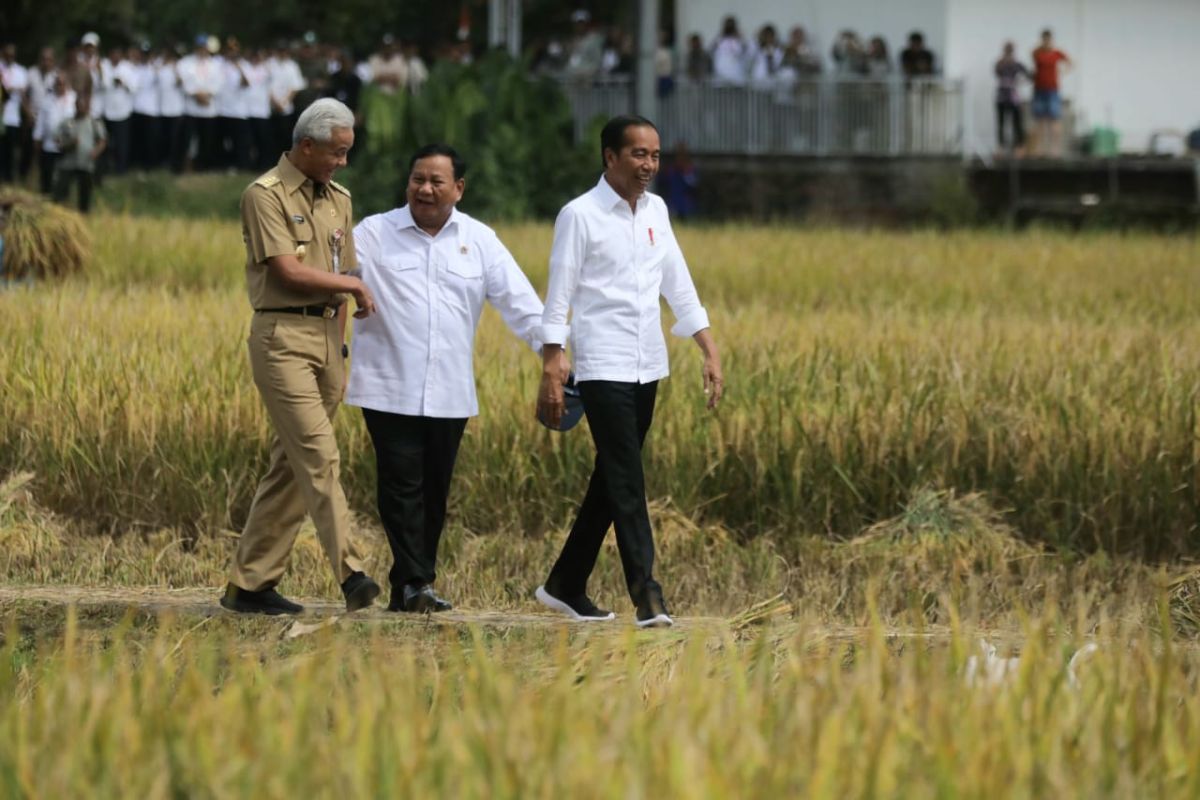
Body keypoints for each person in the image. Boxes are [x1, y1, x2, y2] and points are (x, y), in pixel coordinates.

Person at [536, 115, 724, 628]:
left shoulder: (657, 210)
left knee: (612, 477)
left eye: (655, 155)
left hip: (647, 362)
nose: (649, 165)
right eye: (639, 154)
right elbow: (559, 294)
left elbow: (677, 280)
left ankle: (565, 584)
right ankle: (648, 594)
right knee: (627, 477)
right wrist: (553, 362)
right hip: (601, 363)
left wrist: (706, 345)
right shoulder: (579, 215)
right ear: (610, 157)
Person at [346, 144, 544, 613]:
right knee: (400, 485)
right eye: (418, 179)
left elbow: (520, 303)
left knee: (434, 489)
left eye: (437, 181)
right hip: (387, 384)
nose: (425, 189)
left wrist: (553, 354)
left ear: (458, 188)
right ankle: (415, 582)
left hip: (450, 391)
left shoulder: (480, 240)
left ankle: (411, 586)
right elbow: (332, 275)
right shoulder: (374, 233)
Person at [220, 98, 382, 616]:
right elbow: (287, 272)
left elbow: (341, 268)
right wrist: (353, 286)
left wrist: (339, 341)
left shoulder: (340, 199)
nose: (343, 161)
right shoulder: (263, 195)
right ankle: (352, 573)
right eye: (337, 152)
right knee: (319, 455)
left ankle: (250, 584)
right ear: (306, 146)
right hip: (282, 338)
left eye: (347, 152)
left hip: (327, 340)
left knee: (291, 466)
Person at [52, 93, 106, 213]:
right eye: (79, 105)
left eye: (84, 106)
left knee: (85, 191)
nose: (82, 108)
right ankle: (57, 211)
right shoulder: (67, 122)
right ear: (75, 106)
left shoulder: (94, 122)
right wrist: (69, 144)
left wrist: (96, 152)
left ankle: (84, 214)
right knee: (61, 189)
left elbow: (102, 141)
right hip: (68, 162)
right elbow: (57, 141)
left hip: (86, 163)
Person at [32, 71, 75, 194]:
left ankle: (62, 197)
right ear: (54, 85)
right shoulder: (47, 100)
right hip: (49, 144)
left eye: (62, 84)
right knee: (47, 172)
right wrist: (37, 138)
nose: (60, 86)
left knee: (64, 174)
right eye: (58, 84)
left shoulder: (73, 99)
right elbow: (40, 122)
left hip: (66, 145)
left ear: (66, 85)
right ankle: (46, 194)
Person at [1031, 29, 1071, 156]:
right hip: (1039, 90)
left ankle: (1055, 149)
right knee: (1040, 120)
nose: (1047, 42)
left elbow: (1070, 62)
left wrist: (1063, 73)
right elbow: (1032, 56)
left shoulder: (1057, 53)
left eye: (1049, 40)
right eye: (1044, 39)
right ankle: (1041, 148)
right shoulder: (1037, 53)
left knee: (1054, 119)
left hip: (1053, 90)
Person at [0, 44, 29, 183]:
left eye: (12, 55)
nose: (10, 57)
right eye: (7, 55)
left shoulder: (20, 71)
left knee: (10, 151)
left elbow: (23, 94)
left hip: (13, 117)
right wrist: (10, 89)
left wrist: (28, 113)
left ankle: (8, 179)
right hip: (1, 116)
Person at [995, 42, 1030, 154]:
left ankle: (1019, 146)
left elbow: (1029, 76)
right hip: (1002, 97)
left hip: (1014, 98)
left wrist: (1019, 82)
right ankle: (1001, 146)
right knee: (1001, 123)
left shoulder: (1017, 64)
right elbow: (997, 72)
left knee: (1017, 123)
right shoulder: (1000, 63)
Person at [711, 16, 748, 84]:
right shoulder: (719, 39)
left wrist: (740, 37)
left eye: (731, 25)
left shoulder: (739, 40)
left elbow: (745, 51)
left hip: (736, 75)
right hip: (721, 74)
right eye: (728, 25)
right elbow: (712, 50)